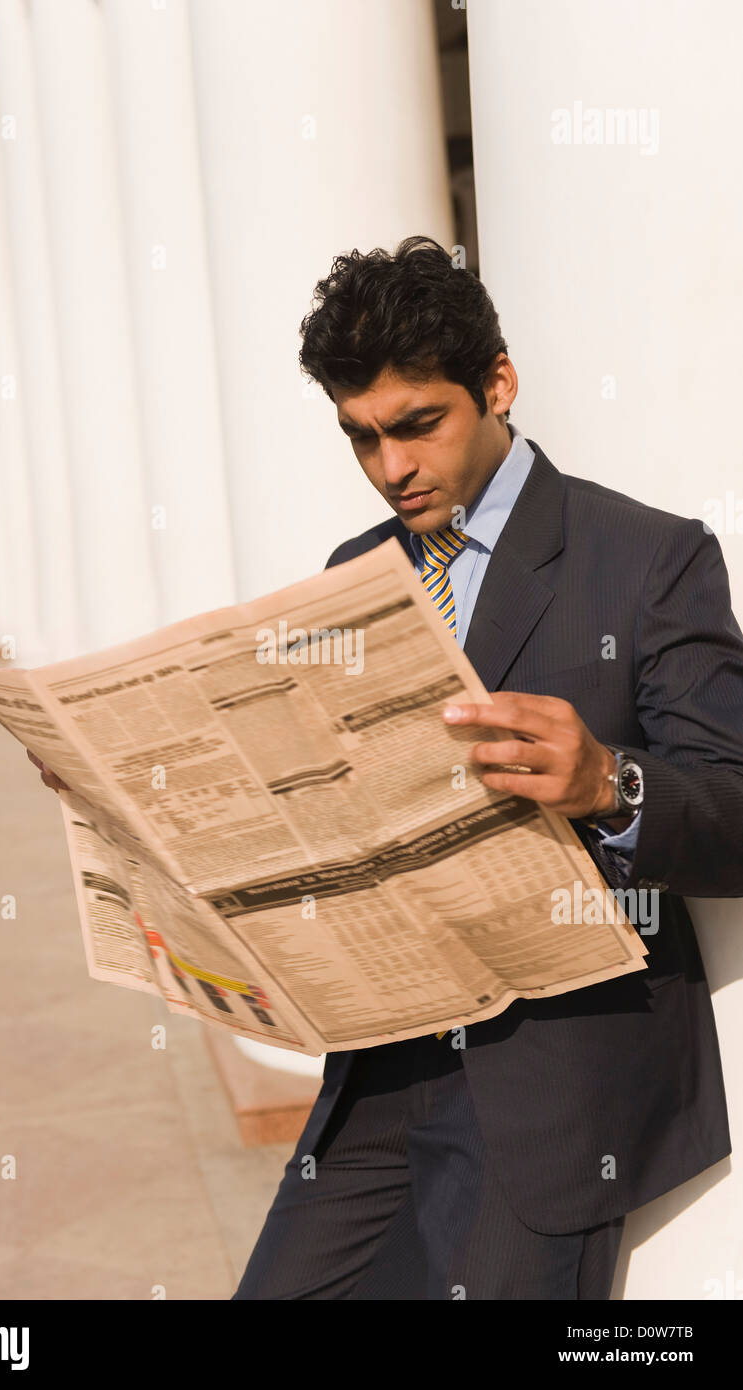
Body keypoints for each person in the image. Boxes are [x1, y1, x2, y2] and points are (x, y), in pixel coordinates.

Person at [227, 235, 743, 1299]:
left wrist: (610, 782)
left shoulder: (649, 559)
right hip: (379, 1070)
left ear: (496, 383)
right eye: (360, 438)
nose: (391, 468)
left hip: (555, 1086)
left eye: (418, 424)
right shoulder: (352, 575)